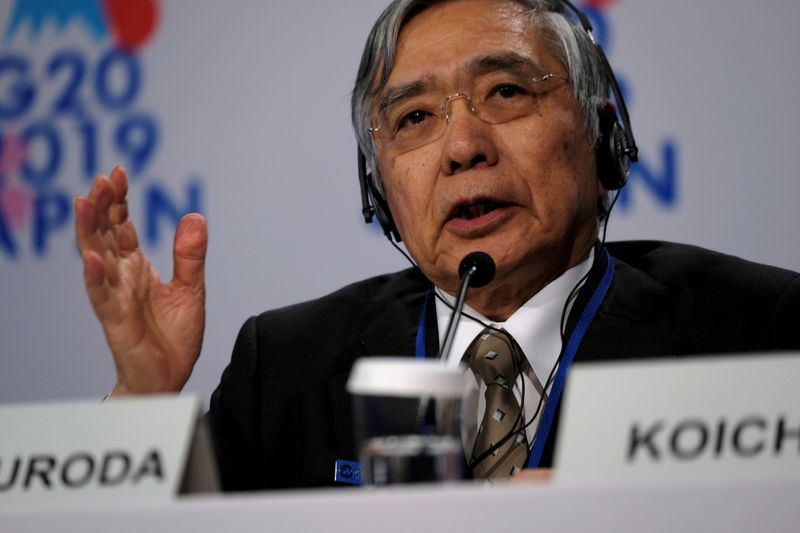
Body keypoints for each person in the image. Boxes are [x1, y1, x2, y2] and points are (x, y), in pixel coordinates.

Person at [74, 0, 800, 490]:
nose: (461, 146)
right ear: (378, 186)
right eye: (415, 117)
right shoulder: (289, 364)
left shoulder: (756, 330)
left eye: (508, 93)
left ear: (602, 132)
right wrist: (143, 397)